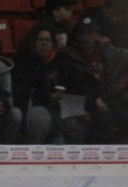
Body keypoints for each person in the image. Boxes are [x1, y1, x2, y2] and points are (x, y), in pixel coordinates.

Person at [55, 15, 128, 144]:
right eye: (82, 33)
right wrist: (88, 105)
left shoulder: (106, 52)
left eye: (90, 33)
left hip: (107, 98)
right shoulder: (67, 56)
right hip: (80, 101)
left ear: (97, 35)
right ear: (76, 36)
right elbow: (70, 87)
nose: (86, 37)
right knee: (102, 118)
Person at [13, 22, 66, 144]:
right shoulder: (23, 63)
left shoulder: (61, 62)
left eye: (47, 40)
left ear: (53, 44)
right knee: (40, 116)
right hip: (34, 108)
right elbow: (22, 93)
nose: (44, 43)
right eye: (40, 40)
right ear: (33, 43)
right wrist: (48, 96)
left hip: (60, 107)